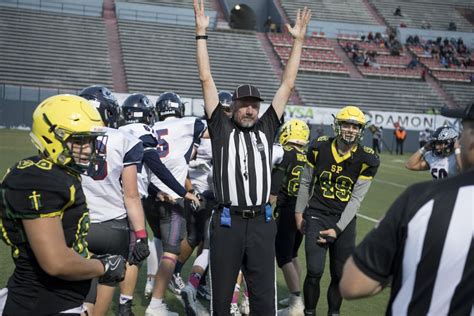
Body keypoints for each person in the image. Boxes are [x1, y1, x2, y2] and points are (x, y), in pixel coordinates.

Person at [194, 0, 312, 314]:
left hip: (262, 222)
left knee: (263, 300)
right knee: (221, 300)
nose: (249, 109)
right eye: (244, 103)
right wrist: (201, 34)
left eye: (254, 104)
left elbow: (288, 83)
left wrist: (298, 41)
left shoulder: (267, 127)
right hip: (227, 222)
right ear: (232, 106)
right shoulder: (220, 128)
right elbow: (206, 79)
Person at [339, 103, 474, 315]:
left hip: (439, 206)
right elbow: (410, 165)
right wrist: (425, 147)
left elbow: (353, 285)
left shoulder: (418, 198)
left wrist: (458, 148)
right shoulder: (434, 158)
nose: (438, 147)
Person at [0, 95, 126, 314]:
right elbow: (55, 262)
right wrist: (104, 266)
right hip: (40, 304)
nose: (87, 149)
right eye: (79, 141)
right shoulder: (39, 178)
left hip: (55, 301)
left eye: (90, 141)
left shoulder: (58, 174)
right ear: (51, 137)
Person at [294, 105, 380, 316]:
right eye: (346, 125)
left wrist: (338, 229)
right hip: (317, 214)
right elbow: (305, 182)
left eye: (355, 126)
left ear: (361, 130)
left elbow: (356, 199)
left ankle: (334, 313)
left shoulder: (367, 159)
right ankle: (310, 312)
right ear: (337, 125)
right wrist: (298, 213)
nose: (350, 130)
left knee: (339, 275)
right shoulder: (318, 147)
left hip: (344, 220)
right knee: (314, 270)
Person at [79, 86, 150, 316]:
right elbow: (131, 195)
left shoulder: (72, 135)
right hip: (114, 228)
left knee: (82, 293)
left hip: (80, 223)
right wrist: (140, 235)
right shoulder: (124, 139)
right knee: (107, 283)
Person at [144, 91, 207, 316]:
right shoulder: (189, 123)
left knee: (158, 238)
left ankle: (151, 283)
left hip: (149, 195)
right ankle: (156, 303)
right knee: (172, 251)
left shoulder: (150, 127)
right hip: (172, 197)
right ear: (179, 109)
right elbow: (214, 134)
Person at [270, 119, 310, 316]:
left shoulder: (286, 154)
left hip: (287, 209)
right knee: (293, 253)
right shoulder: (309, 156)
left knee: (284, 255)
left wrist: (267, 207)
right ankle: (296, 295)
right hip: (304, 210)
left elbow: (274, 189)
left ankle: (296, 302)